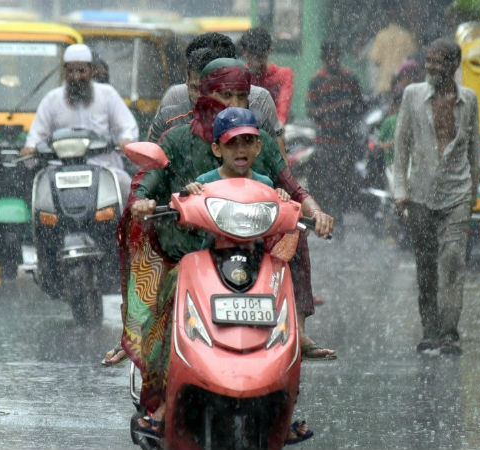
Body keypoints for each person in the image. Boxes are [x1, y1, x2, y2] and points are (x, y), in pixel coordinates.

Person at [121, 59, 333, 441]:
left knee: (282, 284)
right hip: (186, 254)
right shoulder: (177, 139)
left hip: (252, 253)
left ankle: (285, 399)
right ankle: (160, 403)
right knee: (165, 302)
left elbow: (289, 187)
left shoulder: (260, 143)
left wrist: (311, 211)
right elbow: (148, 183)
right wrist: (146, 201)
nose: (232, 101)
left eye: (240, 95)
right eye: (224, 93)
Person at [393, 38, 479, 356]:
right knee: (426, 265)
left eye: (438, 61)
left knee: (453, 260)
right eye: (428, 61)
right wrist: (400, 192)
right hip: (420, 195)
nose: (431, 67)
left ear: (454, 65)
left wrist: (472, 195)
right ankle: (430, 330)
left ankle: (450, 333)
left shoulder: (469, 100)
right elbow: (401, 148)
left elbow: (473, 145)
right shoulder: (412, 95)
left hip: (457, 193)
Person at [21, 43, 137, 200]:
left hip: (104, 169)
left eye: (81, 71)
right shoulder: (51, 99)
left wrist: (126, 140)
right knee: (40, 198)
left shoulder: (107, 95)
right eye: (71, 71)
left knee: (129, 191)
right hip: (60, 173)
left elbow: (127, 126)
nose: (76, 77)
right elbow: (37, 135)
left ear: (92, 70)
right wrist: (30, 149)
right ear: (65, 72)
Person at [147, 32, 286, 160]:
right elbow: (150, 163)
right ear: (188, 77)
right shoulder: (172, 106)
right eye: (196, 87)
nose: (202, 96)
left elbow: (279, 165)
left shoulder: (259, 101)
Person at [306, 39, 366, 228]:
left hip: (346, 140)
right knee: (326, 182)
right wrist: (332, 108)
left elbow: (360, 105)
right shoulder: (317, 80)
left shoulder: (350, 79)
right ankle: (330, 220)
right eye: (329, 57)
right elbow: (310, 111)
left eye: (336, 56)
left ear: (340, 57)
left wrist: (350, 109)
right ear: (323, 58)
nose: (333, 60)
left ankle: (338, 220)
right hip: (325, 140)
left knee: (344, 182)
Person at [239, 27, 295, 125]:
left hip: (273, 130)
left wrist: (279, 126)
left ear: (270, 51)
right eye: (253, 56)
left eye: (261, 57)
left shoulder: (284, 75)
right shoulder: (239, 76)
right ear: (243, 51)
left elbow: (282, 110)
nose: (257, 64)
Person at [368, 15, 417, 97]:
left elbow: (375, 60)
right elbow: (412, 59)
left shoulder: (381, 36)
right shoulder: (407, 36)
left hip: (384, 84)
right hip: (401, 83)